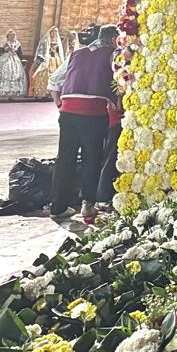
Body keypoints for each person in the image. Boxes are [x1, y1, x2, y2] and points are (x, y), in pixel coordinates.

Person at [50, 23, 119, 222]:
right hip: (93, 113)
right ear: (114, 39)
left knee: (65, 158)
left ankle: (58, 206)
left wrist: (59, 103)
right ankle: (87, 205)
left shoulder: (76, 54)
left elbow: (54, 82)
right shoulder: (113, 55)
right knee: (91, 157)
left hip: (68, 112)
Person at [0, 30, 28, 100]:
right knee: (2, 76)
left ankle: (11, 94)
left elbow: (20, 54)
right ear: (7, 36)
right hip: (4, 60)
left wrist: (23, 60)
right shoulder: (3, 43)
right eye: (10, 35)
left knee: (14, 76)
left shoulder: (17, 43)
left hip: (15, 61)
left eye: (13, 35)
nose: (12, 36)